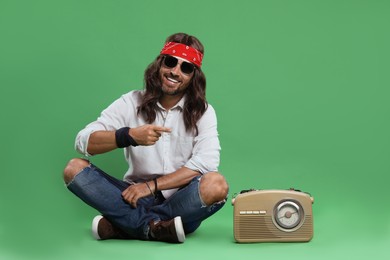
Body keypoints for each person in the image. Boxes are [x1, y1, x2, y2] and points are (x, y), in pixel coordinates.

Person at [63, 32, 229, 243]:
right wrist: (128, 136)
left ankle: (125, 226)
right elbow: (83, 141)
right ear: (159, 64)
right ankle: (157, 228)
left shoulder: (203, 111)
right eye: (170, 62)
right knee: (74, 169)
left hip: (179, 201)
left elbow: (206, 163)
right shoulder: (131, 102)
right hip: (131, 197)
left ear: (193, 76)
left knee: (216, 184)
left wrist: (151, 186)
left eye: (185, 68)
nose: (175, 72)